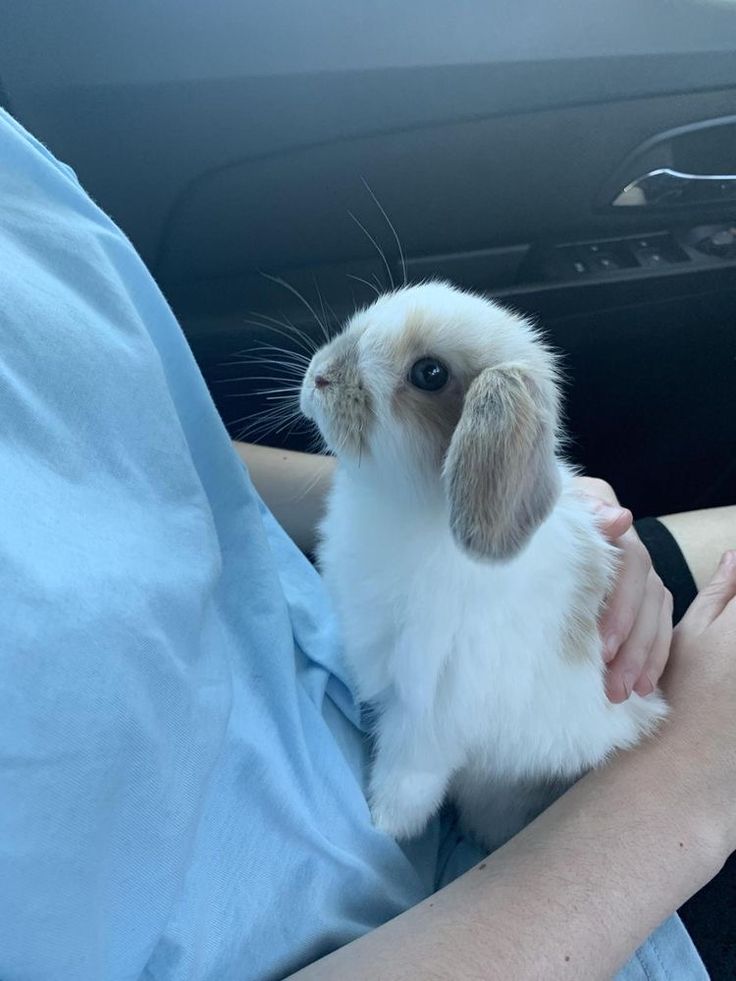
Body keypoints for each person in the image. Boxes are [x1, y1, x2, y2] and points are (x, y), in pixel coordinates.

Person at [0, 105, 734, 981]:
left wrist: (527, 508)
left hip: (475, 689)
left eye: (425, 377)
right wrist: (686, 787)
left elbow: (144, 458)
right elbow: (441, 713)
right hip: (528, 892)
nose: (325, 372)